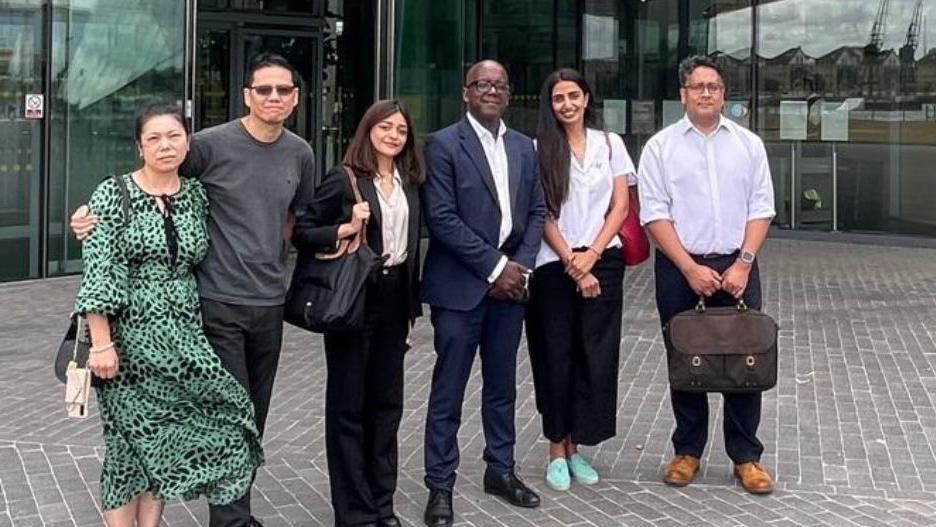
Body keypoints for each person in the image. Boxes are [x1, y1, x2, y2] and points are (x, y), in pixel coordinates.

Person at [71, 52, 316, 526]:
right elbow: (102, 262)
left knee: (211, 424)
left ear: (295, 97)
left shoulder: (277, 162)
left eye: (282, 90)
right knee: (148, 435)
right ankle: (230, 521)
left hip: (209, 325)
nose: (272, 97)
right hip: (163, 326)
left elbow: (293, 220)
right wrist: (86, 220)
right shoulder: (195, 152)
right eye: (262, 89)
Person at [75, 103, 263, 527]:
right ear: (140, 146)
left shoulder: (196, 195)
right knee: (127, 447)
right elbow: (100, 273)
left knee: (172, 438)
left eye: (174, 136)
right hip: (127, 345)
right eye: (154, 138)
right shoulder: (113, 193)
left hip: (184, 340)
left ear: (188, 141)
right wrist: (101, 343)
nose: (165, 145)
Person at [637, 55, 776, 495]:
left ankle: (746, 457)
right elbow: (654, 213)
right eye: (697, 87)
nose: (705, 94)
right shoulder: (660, 146)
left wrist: (743, 263)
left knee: (745, 360)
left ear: (723, 93)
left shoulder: (748, 144)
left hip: (738, 264)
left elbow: (761, 207)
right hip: (681, 268)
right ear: (683, 94)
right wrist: (689, 267)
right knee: (687, 359)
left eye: (712, 87)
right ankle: (687, 451)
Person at [420, 60, 546, 527]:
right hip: (460, 289)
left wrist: (521, 267)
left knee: (502, 388)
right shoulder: (443, 145)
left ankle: (501, 470)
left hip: (510, 288)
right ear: (466, 92)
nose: (491, 90)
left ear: (508, 94)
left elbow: (537, 210)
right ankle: (440, 485)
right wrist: (496, 268)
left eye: (499, 84)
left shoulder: (523, 147)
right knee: (447, 392)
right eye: (482, 84)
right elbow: (442, 218)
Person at [291, 99, 424, 527]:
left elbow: (410, 255)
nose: (393, 136)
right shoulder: (344, 180)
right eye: (385, 127)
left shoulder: (410, 181)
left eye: (401, 130)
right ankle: (354, 512)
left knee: (387, 406)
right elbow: (303, 231)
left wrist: (409, 314)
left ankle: (381, 505)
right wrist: (344, 229)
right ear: (368, 131)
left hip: (393, 299)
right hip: (355, 298)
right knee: (349, 407)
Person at [525, 68, 634, 491]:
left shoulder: (612, 144)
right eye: (558, 98)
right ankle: (556, 447)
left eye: (574, 95)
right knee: (555, 355)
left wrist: (591, 256)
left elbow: (621, 206)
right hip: (554, 264)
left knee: (595, 356)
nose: (567, 104)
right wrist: (572, 260)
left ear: (586, 98)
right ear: (550, 105)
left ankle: (578, 448)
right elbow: (543, 212)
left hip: (603, 259)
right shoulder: (539, 149)